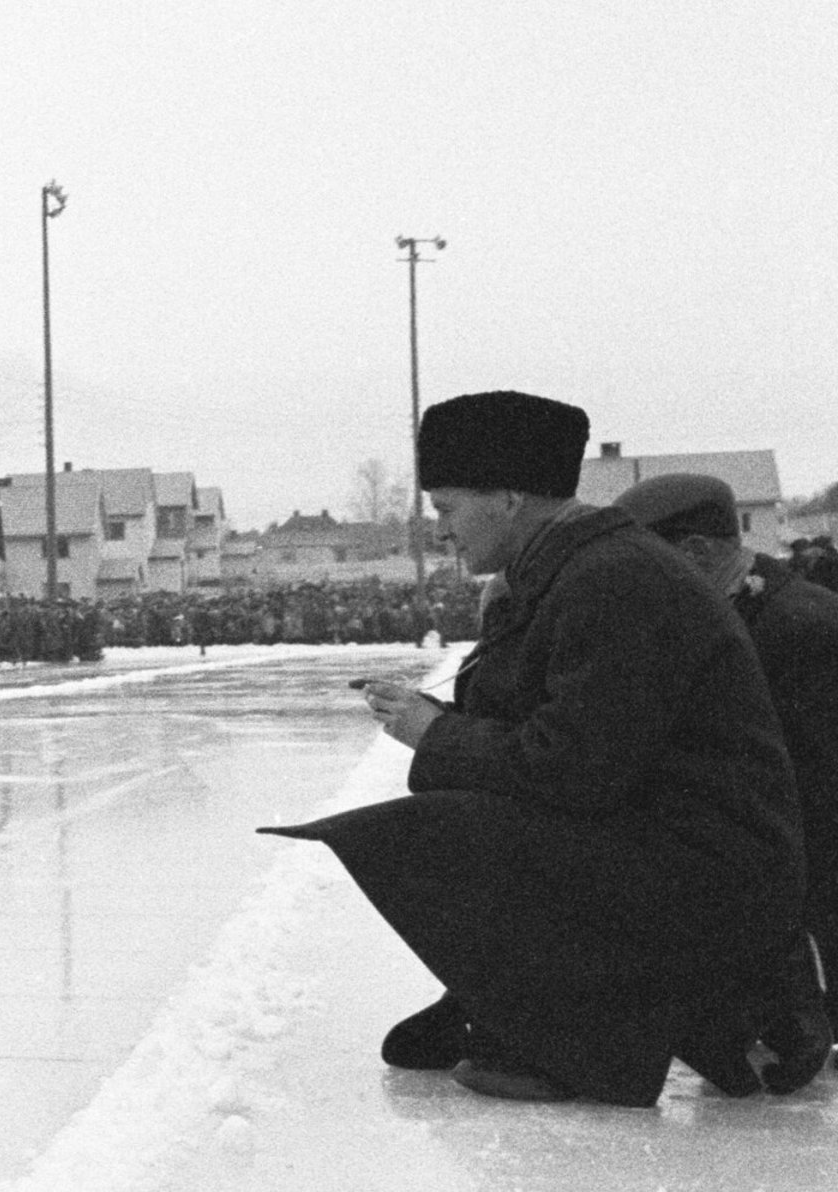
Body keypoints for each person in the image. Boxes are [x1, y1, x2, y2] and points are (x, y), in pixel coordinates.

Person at [261, 391, 813, 1106]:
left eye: (448, 509)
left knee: (434, 834)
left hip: (711, 877)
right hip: (680, 847)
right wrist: (444, 725)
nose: (443, 531)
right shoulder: (577, 571)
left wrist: (436, 734)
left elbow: (573, 770)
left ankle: (580, 1040)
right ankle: (512, 1009)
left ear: (510, 497)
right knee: (445, 812)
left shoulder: (615, 579)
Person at [613, 472, 838, 1074]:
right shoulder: (716, 613)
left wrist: (800, 965)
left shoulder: (803, 629)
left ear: (694, 553)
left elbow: (815, 809)